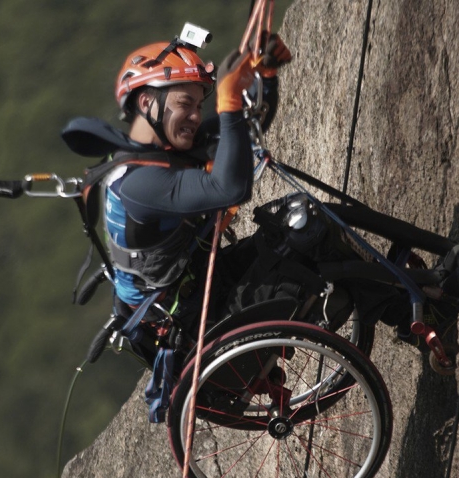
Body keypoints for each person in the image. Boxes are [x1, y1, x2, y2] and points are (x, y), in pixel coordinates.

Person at [60, 28, 293, 364]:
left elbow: (244, 129)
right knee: (306, 235)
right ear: (147, 103)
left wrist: (266, 74)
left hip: (200, 289)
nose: (197, 115)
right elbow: (230, 188)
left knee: (290, 227)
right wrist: (227, 102)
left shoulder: (155, 152)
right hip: (196, 320)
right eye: (186, 103)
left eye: (200, 104)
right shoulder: (140, 183)